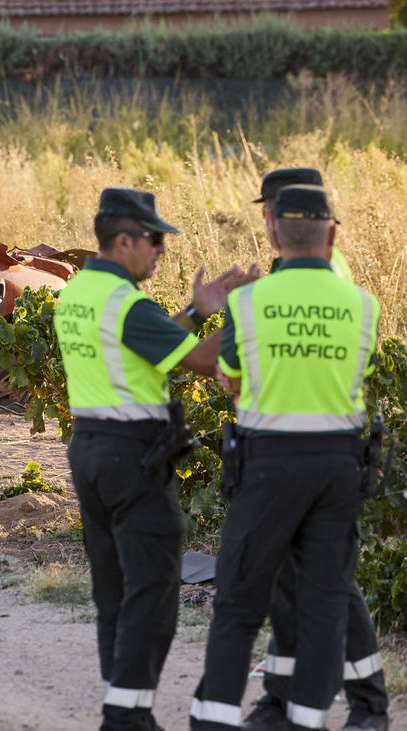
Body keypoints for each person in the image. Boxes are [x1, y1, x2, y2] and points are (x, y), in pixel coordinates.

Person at [190, 185, 381, 731]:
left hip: (268, 463)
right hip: (339, 466)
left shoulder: (249, 302)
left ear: (273, 232)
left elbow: (229, 375)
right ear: (333, 235)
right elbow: (358, 381)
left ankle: (215, 720)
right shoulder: (363, 305)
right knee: (325, 604)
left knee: (239, 605)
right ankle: (306, 720)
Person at [55, 188, 245, 731]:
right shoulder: (126, 302)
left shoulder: (81, 292)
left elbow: (147, 350)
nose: (161, 250)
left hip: (89, 450)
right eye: (155, 240)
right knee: (156, 587)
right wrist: (233, 315)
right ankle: (127, 717)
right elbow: (205, 364)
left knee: (112, 588)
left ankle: (124, 710)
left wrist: (192, 311)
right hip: (131, 455)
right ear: (123, 241)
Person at [241, 170, 389, 731]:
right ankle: (280, 696)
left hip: (302, 452)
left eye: (268, 210)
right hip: (310, 454)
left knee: (330, 588)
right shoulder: (306, 269)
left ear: (285, 219)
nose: (264, 220)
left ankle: (368, 703)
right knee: (294, 583)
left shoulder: (318, 275)